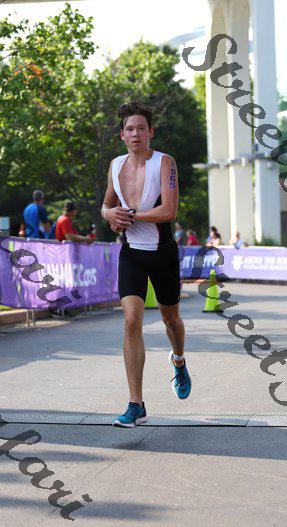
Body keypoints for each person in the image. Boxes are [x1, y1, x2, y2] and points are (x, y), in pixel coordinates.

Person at [101, 100, 191, 428]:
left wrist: (130, 215)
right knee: (131, 321)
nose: (136, 134)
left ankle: (178, 360)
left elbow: (169, 211)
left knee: (170, 320)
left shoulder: (165, 163)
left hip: (162, 253)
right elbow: (106, 205)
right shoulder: (115, 166)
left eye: (141, 128)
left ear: (150, 132)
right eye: (130, 129)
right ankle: (135, 404)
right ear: (122, 135)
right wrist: (110, 214)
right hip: (132, 254)